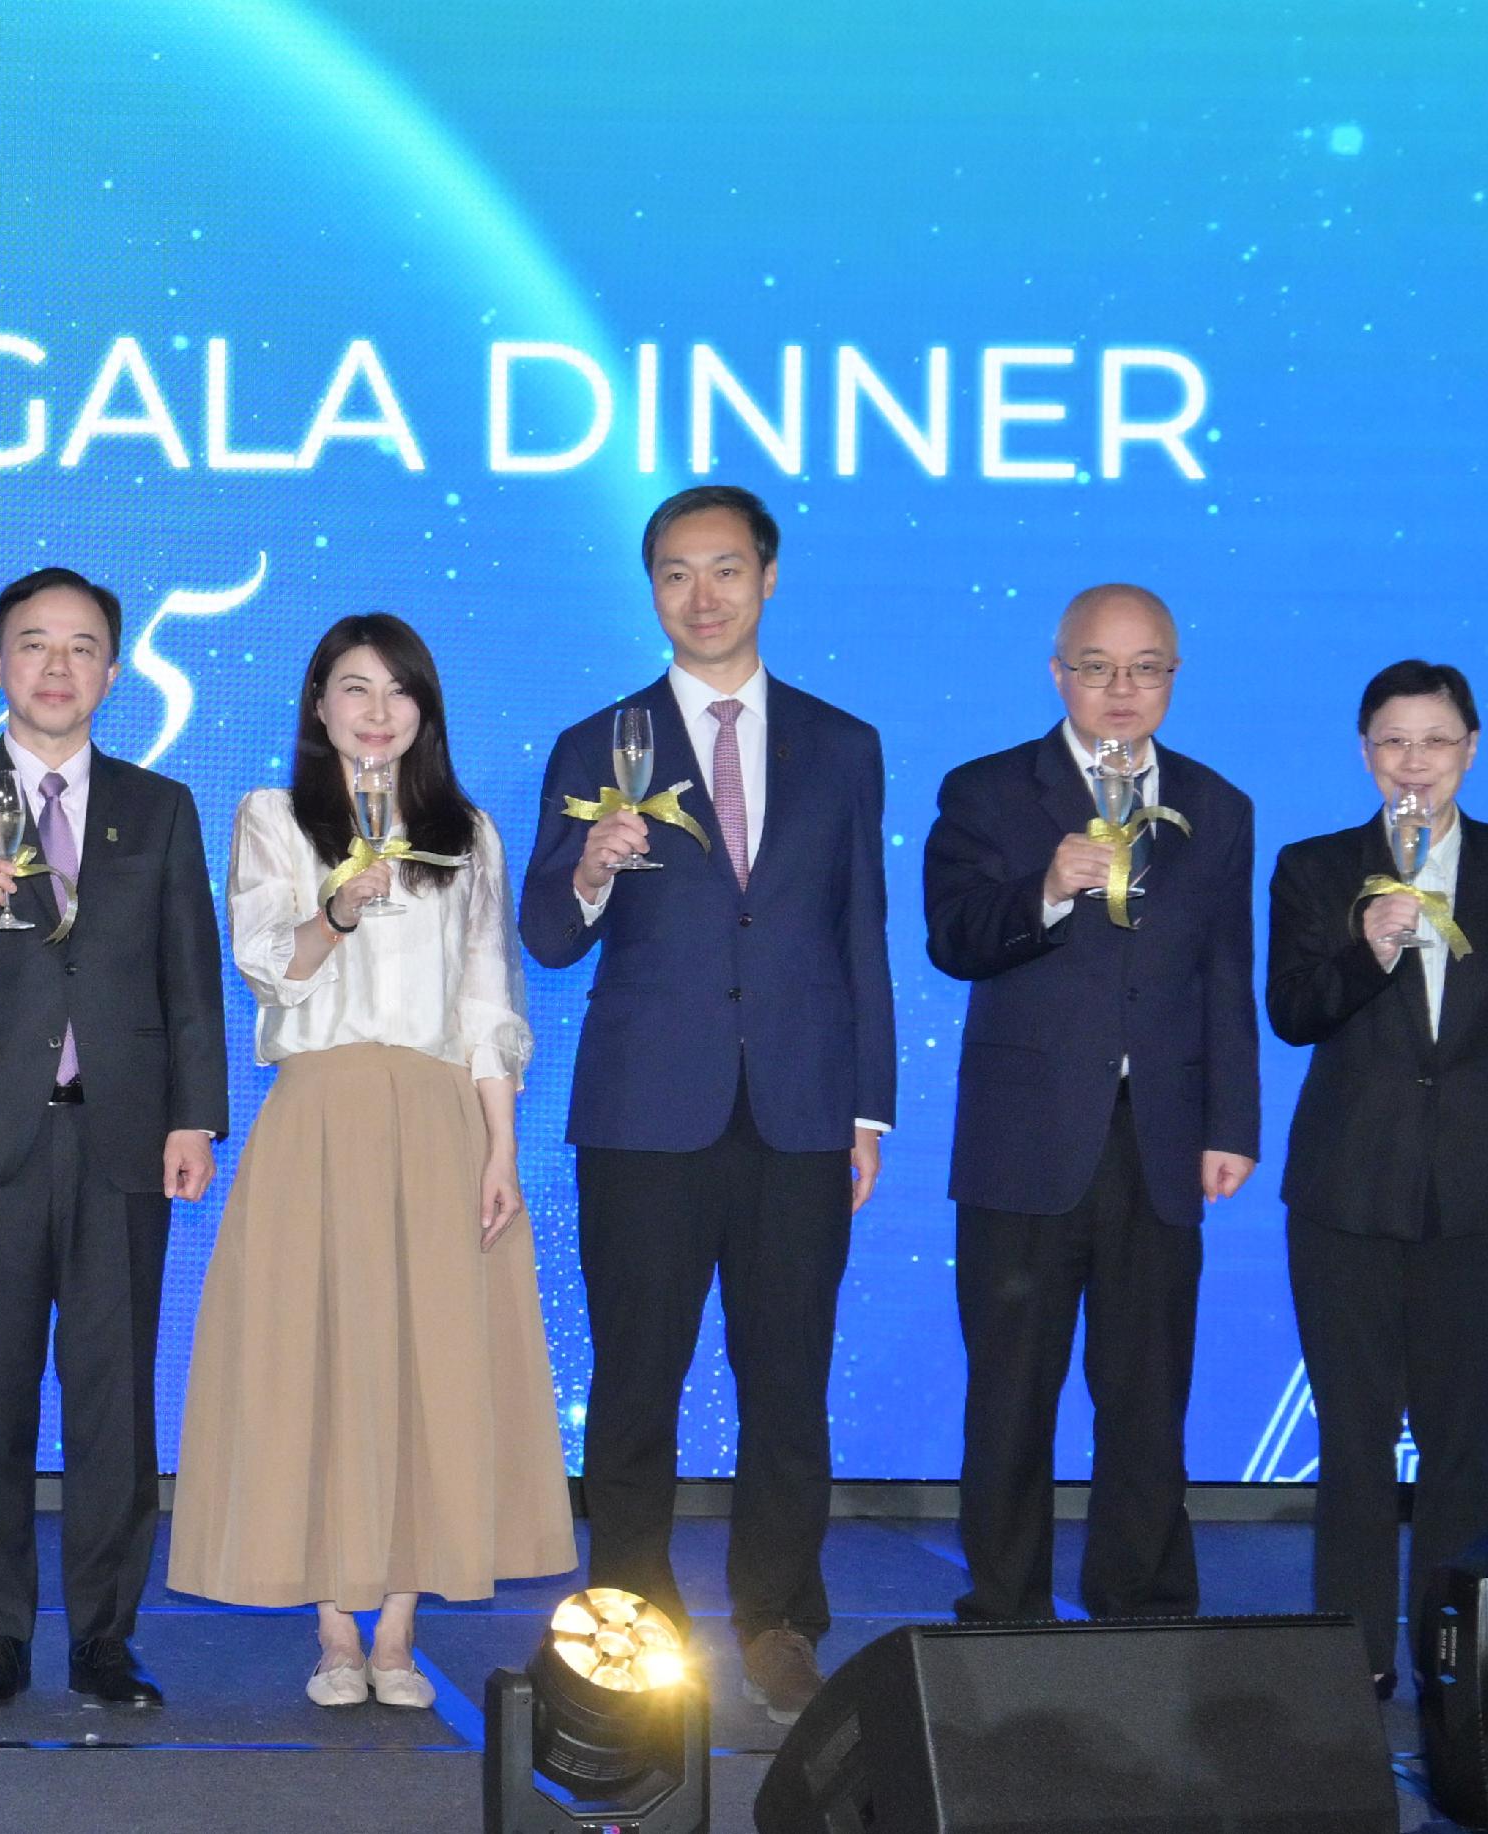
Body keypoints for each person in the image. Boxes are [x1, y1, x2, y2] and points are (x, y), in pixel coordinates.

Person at [519, 483, 893, 1723]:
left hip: (797, 1112)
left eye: (724, 569)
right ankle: (625, 1626)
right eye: (676, 573)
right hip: (643, 1117)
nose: (703, 595)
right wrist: (587, 866)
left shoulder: (843, 743)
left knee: (787, 1383)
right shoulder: (596, 742)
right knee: (635, 1384)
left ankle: (780, 1620)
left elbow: (861, 934)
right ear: (652, 589)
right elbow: (543, 935)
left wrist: (869, 1108)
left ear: (768, 577)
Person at [170, 613, 569, 1710]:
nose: (376, 710)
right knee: (325, 1358)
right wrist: (337, 908)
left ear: (423, 711)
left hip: (439, 1114)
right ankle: (335, 1628)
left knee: (426, 1362)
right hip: (323, 1111)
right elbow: (268, 969)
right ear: (317, 704)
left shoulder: (468, 833)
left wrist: (498, 1144)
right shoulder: (271, 818)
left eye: (398, 691)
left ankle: (397, 1629)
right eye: (353, 688)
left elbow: (488, 996)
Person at [0, 566, 223, 1712]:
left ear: (112, 672)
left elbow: (188, 977)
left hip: (121, 1136)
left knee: (114, 1402)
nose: (56, 667)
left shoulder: (158, 806)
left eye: (81, 648)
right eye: (33, 645)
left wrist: (194, 1116)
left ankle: (107, 1638)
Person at [921, 585, 1258, 1625]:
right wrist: (1048, 887)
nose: (1121, 688)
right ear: (1057, 671)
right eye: (1097, 666)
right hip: (1024, 1143)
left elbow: (1222, 976)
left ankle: (1144, 1611)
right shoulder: (987, 792)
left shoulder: (1217, 804)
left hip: (1161, 1145)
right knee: (1011, 1397)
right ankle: (1004, 1615)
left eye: (1146, 666)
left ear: (1173, 676)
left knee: (1147, 1397)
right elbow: (953, 938)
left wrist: (1231, 1124)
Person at [1267, 659, 1488, 1693]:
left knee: (1460, 1450)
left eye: (1435, 740)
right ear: (1364, 753)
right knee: (1354, 1446)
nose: (1414, 763)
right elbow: (1291, 1012)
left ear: (1470, 749)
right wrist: (1367, 948)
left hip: (1486, 1198)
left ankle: (1456, 1665)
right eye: (1392, 742)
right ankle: (1347, 1671)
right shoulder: (1313, 867)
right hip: (1345, 1196)